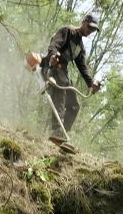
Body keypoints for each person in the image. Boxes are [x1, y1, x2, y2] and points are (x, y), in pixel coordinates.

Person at [42, 14, 102, 143]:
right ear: (83, 21)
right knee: (61, 91)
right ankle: (56, 130)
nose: (90, 31)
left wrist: (91, 83)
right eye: (89, 27)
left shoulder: (80, 46)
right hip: (51, 66)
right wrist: (53, 56)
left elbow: (83, 67)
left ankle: (62, 135)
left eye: (93, 29)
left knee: (74, 106)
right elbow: (54, 45)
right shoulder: (67, 31)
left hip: (63, 72)